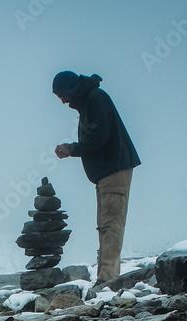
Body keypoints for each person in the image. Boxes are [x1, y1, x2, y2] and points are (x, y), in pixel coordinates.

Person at [53, 71, 141, 284]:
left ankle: (108, 277)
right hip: (106, 171)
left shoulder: (95, 98)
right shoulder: (89, 101)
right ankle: (106, 275)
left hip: (114, 168)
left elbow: (101, 136)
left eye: (62, 95)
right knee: (105, 223)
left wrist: (73, 149)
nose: (63, 101)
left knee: (111, 222)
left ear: (72, 89)